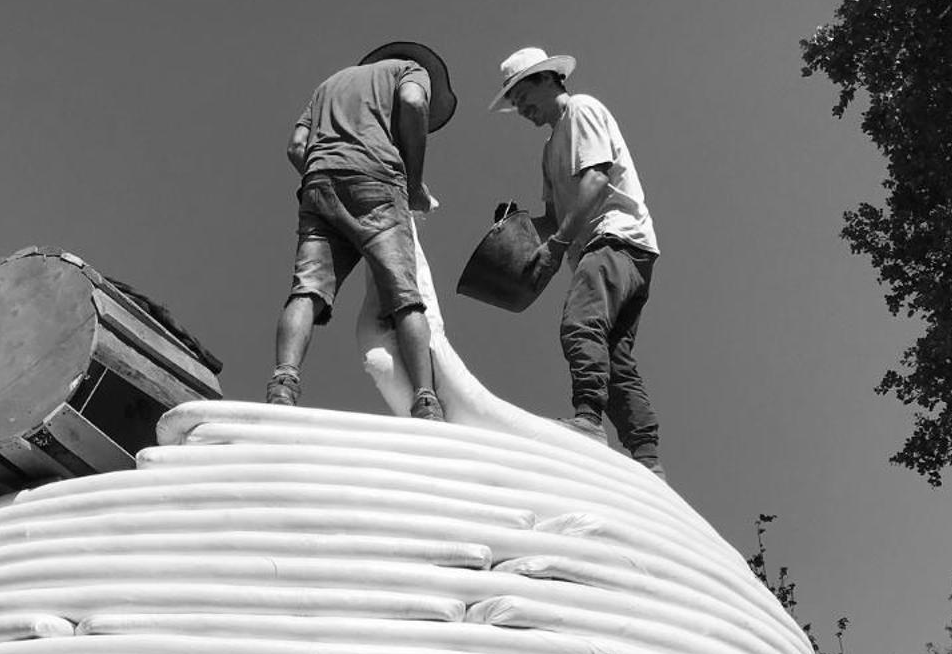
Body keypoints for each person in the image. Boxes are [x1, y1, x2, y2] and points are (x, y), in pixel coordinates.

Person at [490, 46, 662, 471]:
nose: (521, 108)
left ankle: (587, 420)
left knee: (580, 324)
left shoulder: (581, 110)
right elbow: (553, 217)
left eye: (522, 95)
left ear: (548, 79)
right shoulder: (550, 151)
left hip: (615, 240)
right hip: (626, 251)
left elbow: (597, 179)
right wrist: (519, 228)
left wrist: (560, 245)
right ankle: (647, 458)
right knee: (615, 359)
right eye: (514, 103)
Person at [268, 42, 457, 421]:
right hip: (378, 182)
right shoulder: (408, 71)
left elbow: (296, 147)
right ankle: (425, 399)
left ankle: (283, 383)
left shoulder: (329, 85)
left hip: (318, 182)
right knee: (405, 296)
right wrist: (414, 184)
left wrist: (327, 175)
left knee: (308, 289)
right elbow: (414, 103)